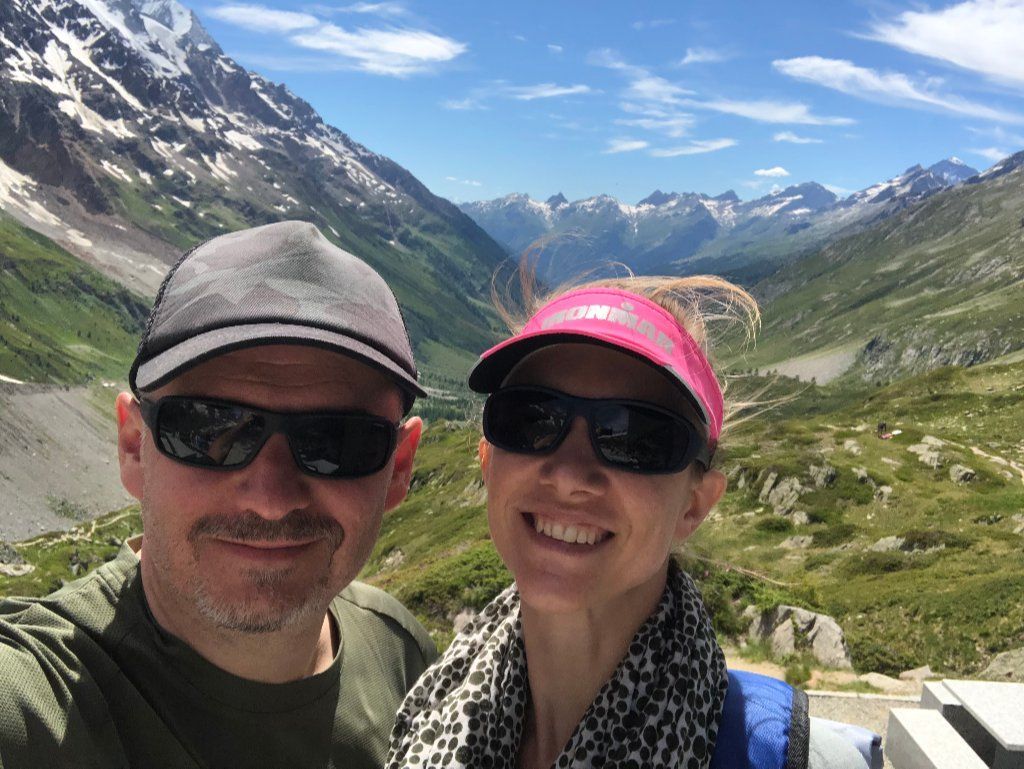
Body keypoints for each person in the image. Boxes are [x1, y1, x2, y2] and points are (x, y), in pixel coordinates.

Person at [387, 276, 877, 769]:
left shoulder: (787, 758)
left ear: (694, 505)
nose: (569, 476)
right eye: (531, 419)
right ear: (488, 461)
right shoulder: (422, 707)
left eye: (634, 437)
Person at [0, 221, 437, 769]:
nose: (271, 499)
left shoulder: (404, 657)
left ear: (399, 468)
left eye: (337, 442)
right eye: (208, 430)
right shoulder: (34, 698)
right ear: (134, 448)